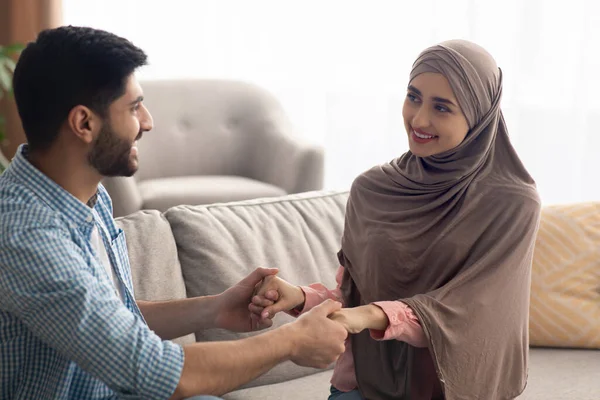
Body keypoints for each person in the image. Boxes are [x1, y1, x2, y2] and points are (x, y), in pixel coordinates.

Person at [0, 26, 347, 400]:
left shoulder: (86, 197)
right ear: (84, 123)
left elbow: (114, 320)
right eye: (133, 107)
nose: (147, 122)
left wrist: (213, 310)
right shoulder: (27, 235)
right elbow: (152, 369)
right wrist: (292, 341)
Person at [251, 40, 542, 400]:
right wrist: (298, 297)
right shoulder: (373, 189)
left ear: (479, 116)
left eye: (442, 107)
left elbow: (472, 313)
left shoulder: (511, 203)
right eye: (413, 96)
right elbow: (352, 296)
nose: (419, 119)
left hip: (453, 389)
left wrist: (371, 316)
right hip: (363, 387)